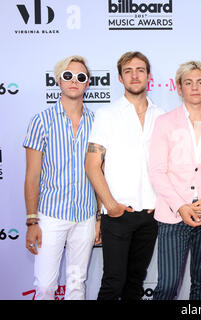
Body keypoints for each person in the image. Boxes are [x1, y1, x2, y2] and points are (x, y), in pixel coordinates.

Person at [85, 51, 164, 300]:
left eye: (140, 69)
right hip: (118, 213)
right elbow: (91, 164)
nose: (134, 75)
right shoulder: (106, 115)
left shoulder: (162, 116)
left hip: (150, 215)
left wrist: (161, 203)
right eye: (128, 71)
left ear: (149, 76)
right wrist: (110, 205)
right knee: (113, 283)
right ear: (120, 78)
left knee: (135, 283)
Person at [148, 61, 201, 300]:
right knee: (168, 285)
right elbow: (157, 171)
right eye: (188, 82)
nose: (195, 87)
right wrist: (181, 206)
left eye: (200, 82)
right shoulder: (164, 123)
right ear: (179, 88)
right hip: (173, 216)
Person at [23, 55, 99, 300]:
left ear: (87, 83)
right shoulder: (41, 121)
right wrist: (32, 221)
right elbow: (32, 176)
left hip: (86, 216)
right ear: (58, 81)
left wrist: (99, 217)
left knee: (77, 284)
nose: (74, 81)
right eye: (68, 75)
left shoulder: (98, 123)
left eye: (81, 77)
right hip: (51, 217)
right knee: (45, 285)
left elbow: (101, 173)